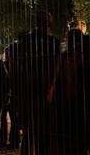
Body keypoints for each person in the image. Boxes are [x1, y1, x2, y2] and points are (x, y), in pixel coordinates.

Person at [47, 19, 90, 154]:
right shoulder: (87, 57)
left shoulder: (66, 57)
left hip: (67, 102)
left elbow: (57, 79)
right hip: (80, 102)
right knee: (79, 137)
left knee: (69, 138)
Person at [17, 11, 60, 155]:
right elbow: (56, 67)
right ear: (49, 24)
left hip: (28, 88)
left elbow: (19, 66)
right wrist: (52, 87)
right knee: (45, 129)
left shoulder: (25, 42)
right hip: (46, 88)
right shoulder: (53, 42)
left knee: (30, 130)